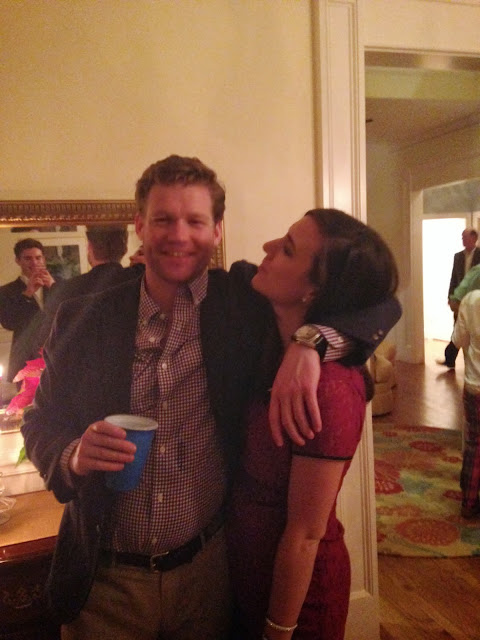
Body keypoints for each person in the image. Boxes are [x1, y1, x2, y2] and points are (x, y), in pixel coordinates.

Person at [22, 156, 401, 640]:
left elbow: (375, 299)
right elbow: (40, 421)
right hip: (104, 583)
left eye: (195, 221)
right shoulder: (82, 315)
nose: (178, 235)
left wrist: (313, 342)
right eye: (163, 219)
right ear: (139, 225)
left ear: (217, 229)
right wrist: (73, 455)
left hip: (210, 578)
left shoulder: (245, 303)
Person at [227, 208, 399, 640]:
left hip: (297, 598)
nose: (267, 248)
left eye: (287, 249)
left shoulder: (331, 388)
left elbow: (305, 533)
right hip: (246, 575)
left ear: (315, 290)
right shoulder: (258, 319)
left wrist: (278, 631)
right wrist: (310, 340)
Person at [39, 225, 138, 342]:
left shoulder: (68, 290)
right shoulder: (140, 281)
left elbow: (50, 340)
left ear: (89, 246)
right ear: (125, 248)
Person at [0, 238, 59, 381]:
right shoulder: (6, 291)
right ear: (18, 261)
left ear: (44, 259)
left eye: (38, 258)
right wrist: (27, 294)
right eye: (28, 258)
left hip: (58, 353)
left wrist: (55, 287)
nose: (34, 263)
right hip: (26, 360)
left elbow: (73, 314)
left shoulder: (59, 284)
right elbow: (8, 323)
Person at [452, 290, 480, 519]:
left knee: (474, 444)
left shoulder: (471, 300)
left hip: (475, 385)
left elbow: (458, 340)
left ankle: (469, 502)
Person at [437, 228, 480, 369]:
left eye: (465, 237)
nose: (463, 240)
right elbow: (453, 278)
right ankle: (450, 360)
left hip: (475, 300)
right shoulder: (458, 256)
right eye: (462, 237)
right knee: (457, 327)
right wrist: (450, 296)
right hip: (460, 299)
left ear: (474, 238)